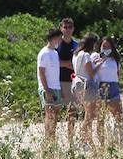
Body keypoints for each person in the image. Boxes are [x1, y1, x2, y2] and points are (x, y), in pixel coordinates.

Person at [71, 32, 101, 145]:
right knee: (89, 115)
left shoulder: (76, 54)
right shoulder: (86, 55)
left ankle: (86, 139)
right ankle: (85, 139)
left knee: (87, 113)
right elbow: (91, 73)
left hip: (77, 84)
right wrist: (100, 64)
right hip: (87, 85)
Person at [95, 35, 123, 136]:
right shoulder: (96, 58)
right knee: (100, 118)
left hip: (114, 87)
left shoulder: (115, 60)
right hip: (101, 87)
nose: (106, 49)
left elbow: (118, 74)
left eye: (108, 47)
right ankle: (101, 142)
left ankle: (118, 138)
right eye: (104, 46)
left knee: (119, 116)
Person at [37, 27, 64, 141]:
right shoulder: (44, 53)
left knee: (56, 114)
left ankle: (52, 138)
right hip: (47, 88)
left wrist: (60, 88)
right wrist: (47, 91)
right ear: (54, 38)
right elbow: (41, 72)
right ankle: (48, 140)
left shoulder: (55, 53)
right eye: (59, 38)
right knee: (50, 114)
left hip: (56, 87)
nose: (60, 40)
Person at [56, 17, 79, 145]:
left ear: (73, 29)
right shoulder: (56, 45)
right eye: (65, 27)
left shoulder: (77, 46)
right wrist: (68, 64)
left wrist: (63, 63)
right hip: (57, 82)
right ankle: (52, 140)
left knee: (72, 112)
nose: (67, 30)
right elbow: (54, 63)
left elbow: (76, 64)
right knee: (55, 111)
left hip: (72, 82)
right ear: (61, 28)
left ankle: (70, 140)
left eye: (70, 27)